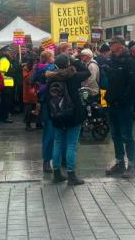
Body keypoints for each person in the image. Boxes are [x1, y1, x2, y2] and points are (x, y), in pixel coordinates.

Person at [47, 54, 90, 185]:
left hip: (57, 115)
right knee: (71, 144)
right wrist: (76, 61)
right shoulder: (74, 77)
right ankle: (71, 175)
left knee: (58, 143)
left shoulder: (51, 77)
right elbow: (87, 72)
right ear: (68, 63)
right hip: (73, 114)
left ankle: (56, 173)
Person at [104, 36, 135, 179]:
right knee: (115, 135)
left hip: (124, 105)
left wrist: (124, 100)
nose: (110, 46)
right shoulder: (111, 60)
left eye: (112, 43)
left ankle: (132, 165)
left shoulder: (129, 61)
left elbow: (132, 84)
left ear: (119, 45)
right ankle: (119, 162)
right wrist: (105, 101)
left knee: (127, 136)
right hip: (112, 103)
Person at [32, 50, 56, 172]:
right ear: (49, 58)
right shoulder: (54, 68)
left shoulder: (36, 68)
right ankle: (59, 160)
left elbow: (31, 81)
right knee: (54, 132)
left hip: (44, 102)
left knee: (48, 131)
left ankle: (47, 161)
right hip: (55, 102)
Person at [0, 46, 16, 123]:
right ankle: (5, 117)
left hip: (7, 84)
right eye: (8, 51)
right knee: (6, 101)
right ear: (4, 52)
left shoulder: (5, 59)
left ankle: (4, 116)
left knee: (5, 101)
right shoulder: (4, 60)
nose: (9, 52)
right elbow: (1, 73)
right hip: (6, 84)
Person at [22, 60, 39, 131]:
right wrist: (33, 70)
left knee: (36, 108)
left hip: (36, 91)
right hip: (28, 92)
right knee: (28, 109)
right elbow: (28, 80)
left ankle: (38, 123)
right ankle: (27, 124)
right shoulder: (26, 69)